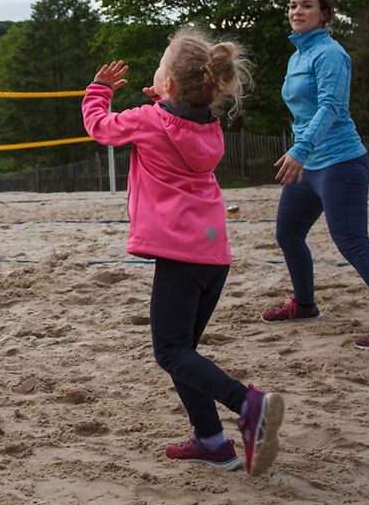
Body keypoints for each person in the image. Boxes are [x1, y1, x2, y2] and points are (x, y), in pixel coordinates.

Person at [83, 28, 283, 476]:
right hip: (214, 257)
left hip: (179, 257)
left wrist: (98, 90)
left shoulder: (148, 119)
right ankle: (212, 441)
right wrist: (165, 99)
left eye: (161, 66)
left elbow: (99, 127)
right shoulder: (208, 125)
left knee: (171, 351)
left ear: (169, 85)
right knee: (183, 350)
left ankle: (248, 405)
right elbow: (177, 119)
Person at [264, 0, 369, 351]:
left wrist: (300, 150)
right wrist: (302, 151)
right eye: (292, 6)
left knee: (352, 243)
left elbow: (330, 108)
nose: (296, 12)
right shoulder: (297, 56)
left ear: (324, 14)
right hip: (307, 166)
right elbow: (302, 113)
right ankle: (305, 305)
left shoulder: (330, 54)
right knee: (288, 233)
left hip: (341, 163)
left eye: (306, 6)